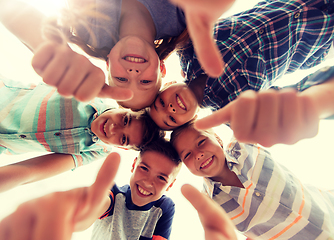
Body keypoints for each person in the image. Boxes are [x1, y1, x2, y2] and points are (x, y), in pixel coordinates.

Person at [0, 0, 235, 110]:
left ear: (108, 64)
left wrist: (49, 47)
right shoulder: (183, 20)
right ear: (161, 68)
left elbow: (10, 8)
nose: (133, 73)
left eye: (122, 79)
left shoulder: (90, 29)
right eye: (146, 81)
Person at [170, 121, 334, 239]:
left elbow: (247, 110)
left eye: (201, 142)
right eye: (187, 155)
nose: (198, 154)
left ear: (218, 139)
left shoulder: (243, 146)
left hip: (328, 207)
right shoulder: (208, 204)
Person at [0, 75, 162, 193]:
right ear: (125, 108)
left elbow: (31, 171)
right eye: (125, 120)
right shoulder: (94, 93)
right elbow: (52, 72)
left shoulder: (97, 151)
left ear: (123, 148)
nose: (113, 128)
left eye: (123, 138)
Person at [0, 138, 183, 240]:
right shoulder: (114, 193)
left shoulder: (164, 207)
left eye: (161, 178)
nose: (148, 183)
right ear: (134, 164)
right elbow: (98, 204)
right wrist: (77, 211)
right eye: (144, 168)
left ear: (171, 184)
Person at [150, 63, 334, 146]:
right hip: (320, 35)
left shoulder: (189, 49)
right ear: (193, 119)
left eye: (161, 102)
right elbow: (292, 98)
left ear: (166, 84)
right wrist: (309, 105)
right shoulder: (237, 112)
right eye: (171, 119)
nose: (170, 109)